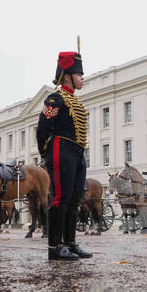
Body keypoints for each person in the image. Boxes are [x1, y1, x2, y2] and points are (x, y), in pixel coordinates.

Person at [37, 51, 93, 261]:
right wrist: (47, 153)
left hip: (77, 152)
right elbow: (43, 129)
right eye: (79, 74)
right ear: (67, 76)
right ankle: (55, 246)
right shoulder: (55, 99)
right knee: (61, 197)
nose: (82, 78)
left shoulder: (75, 101)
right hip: (61, 150)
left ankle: (70, 243)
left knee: (74, 199)